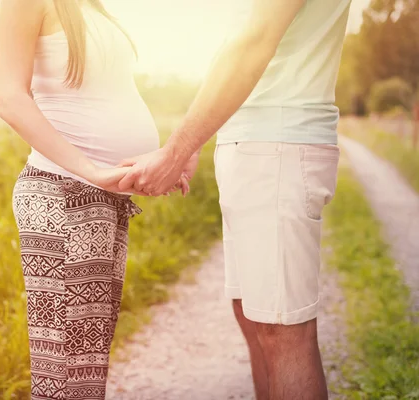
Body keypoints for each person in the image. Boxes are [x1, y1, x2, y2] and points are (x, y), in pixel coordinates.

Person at [117, 0, 352, 399]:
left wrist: (175, 152)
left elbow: (254, 41)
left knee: (283, 331)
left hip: (277, 145)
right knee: (256, 320)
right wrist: (197, 141)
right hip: (255, 144)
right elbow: (237, 43)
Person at [0, 1, 188, 399]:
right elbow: (10, 100)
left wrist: (161, 163)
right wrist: (93, 170)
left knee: (85, 367)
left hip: (103, 199)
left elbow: (108, 97)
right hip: (63, 195)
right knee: (64, 372)